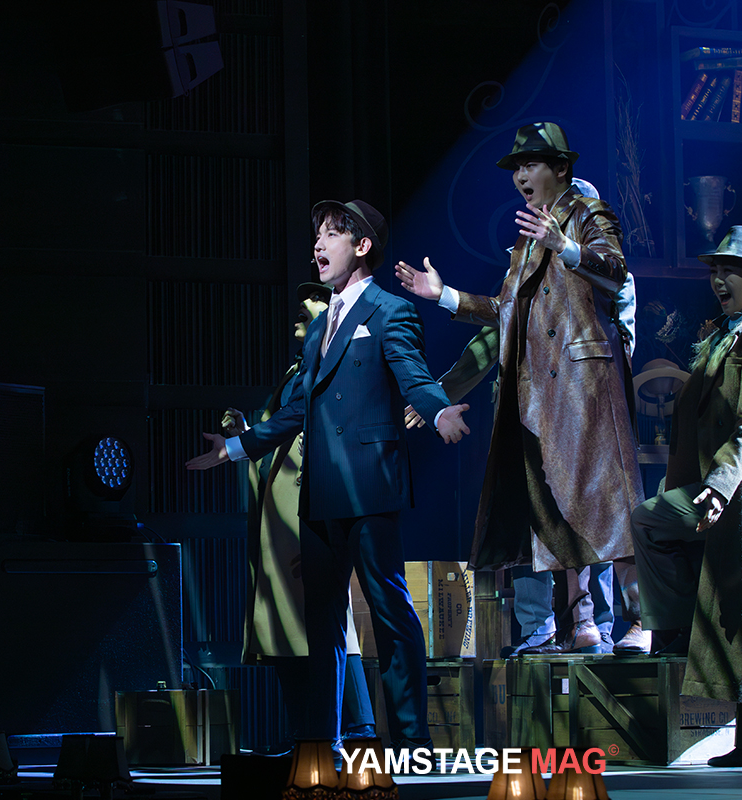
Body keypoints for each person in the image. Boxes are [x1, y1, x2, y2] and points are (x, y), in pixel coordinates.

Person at [187, 199, 470, 751]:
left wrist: (439, 413)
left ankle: (411, 744)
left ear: (361, 247)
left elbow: (413, 376)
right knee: (322, 622)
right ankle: (320, 744)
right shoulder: (320, 328)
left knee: (390, 613)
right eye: (316, 235)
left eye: (331, 235)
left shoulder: (389, 310)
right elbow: (297, 408)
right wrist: (236, 449)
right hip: (319, 495)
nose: (317, 245)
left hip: (370, 486)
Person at [395, 122, 644, 653]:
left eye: (530, 165)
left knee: (608, 507)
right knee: (555, 509)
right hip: (542, 394)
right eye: (516, 169)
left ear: (561, 168)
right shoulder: (527, 240)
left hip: (585, 386)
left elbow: (616, 271)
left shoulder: (588, 213)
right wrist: (444, 295)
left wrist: (565, 245)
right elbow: (506, 311)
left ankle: (640, 622)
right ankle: (577, 624)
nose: (520, 177)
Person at [629, 226, 742, 767]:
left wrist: (718, 487)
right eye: (714, 269)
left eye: (729, 270)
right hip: (721, 486)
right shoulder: (726, 334)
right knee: (740, 610)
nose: (718, 279)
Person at [222, 280, 375, 747]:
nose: (297, 320)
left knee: (323, 622)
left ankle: (352, 729)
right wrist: (247, 434)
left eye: (307, 311)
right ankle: (308, 734)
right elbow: (282, 434)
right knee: (286, 629)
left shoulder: (335, 363)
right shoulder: (298, 368)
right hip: (281, 517)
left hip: (306, 512)